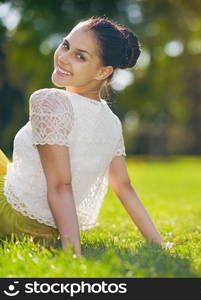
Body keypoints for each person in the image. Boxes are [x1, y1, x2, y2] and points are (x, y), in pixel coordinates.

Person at [0, 16, 170, 257]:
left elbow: (60, 185)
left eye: (80, 56)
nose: (63, 57)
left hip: (13, 217)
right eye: (66, 45)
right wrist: (157, 242)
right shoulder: (111, 122)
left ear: (104, 71)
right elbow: (123, 186)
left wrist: (74, 253)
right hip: (44, 231)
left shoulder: (50, 101)